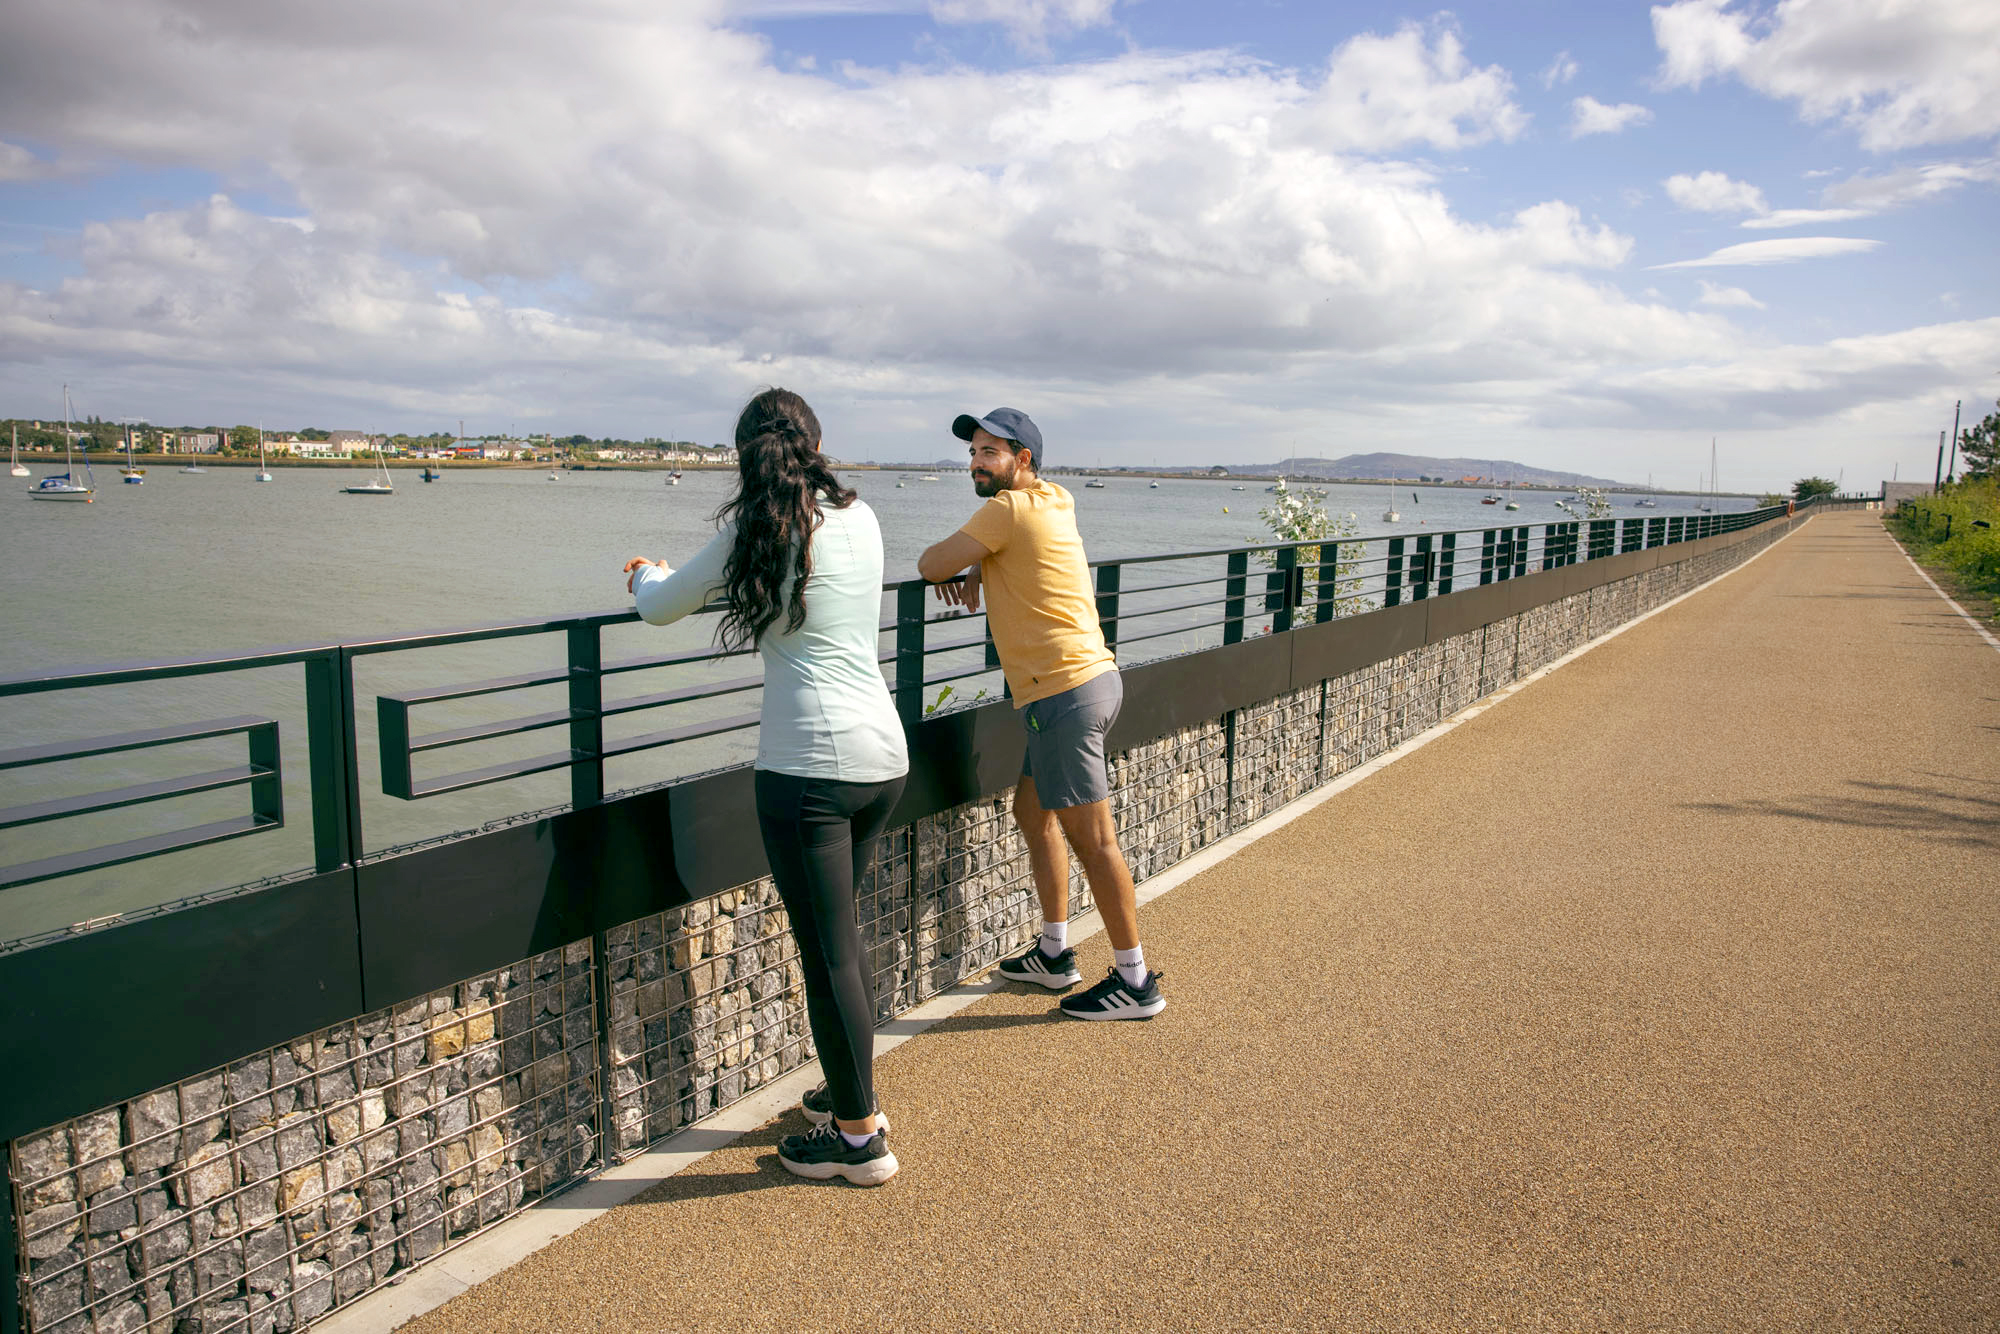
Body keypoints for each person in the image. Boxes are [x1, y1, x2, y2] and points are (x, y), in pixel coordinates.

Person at [623, 388, 907, 1186]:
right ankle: (849, 1095)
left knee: (829, 955)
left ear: (747, 454)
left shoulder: (758, 529)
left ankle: (859, 1140)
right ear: (815, 441)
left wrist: (646, 574)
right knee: (843, 941)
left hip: (808, 771)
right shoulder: (862, 516)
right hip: (883, 757)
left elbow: (660, 607)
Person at [916, 408, 1164, 1020]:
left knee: (1094, 840)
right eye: (973, 452)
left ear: (1022, 459)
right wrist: (986, 564)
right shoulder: (1055, 500)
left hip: (1063, 695)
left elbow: (930, 565)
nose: (975, 463)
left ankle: (1135, 982)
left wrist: (972, 563)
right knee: (1032, 812)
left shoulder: (1005, 511)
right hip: (1086, 683)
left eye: (989, 452)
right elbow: (1014, 550)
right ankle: (1054, 954)